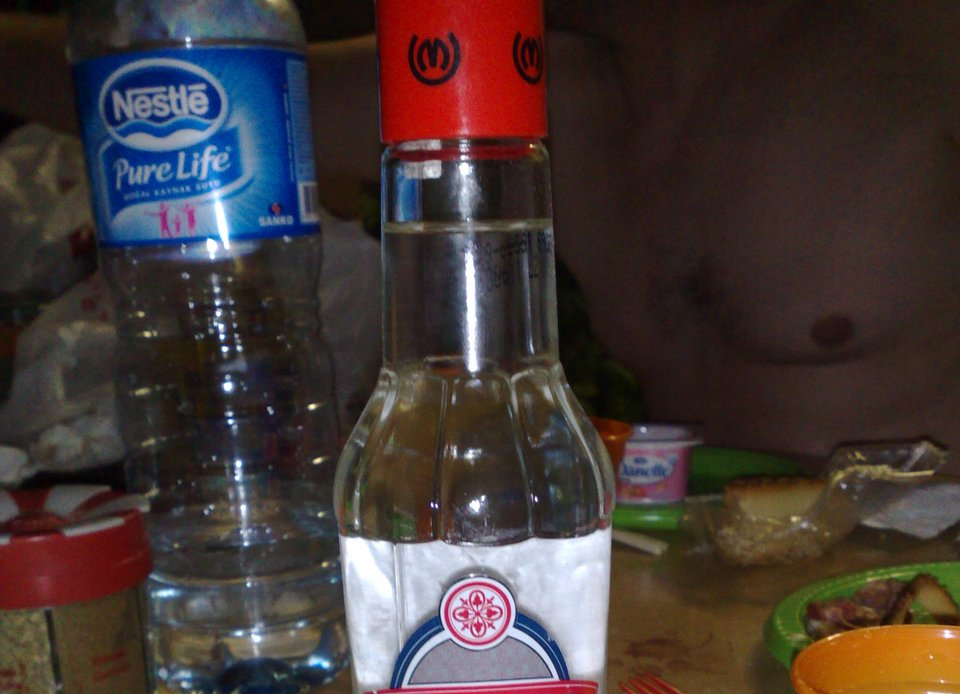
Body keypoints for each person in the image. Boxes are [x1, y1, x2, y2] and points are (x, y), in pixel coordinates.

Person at [2, 2, 959, 464]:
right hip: (698, 585)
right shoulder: (523, 81)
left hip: (910, 595)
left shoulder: (913, 41)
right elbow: (193, 78)